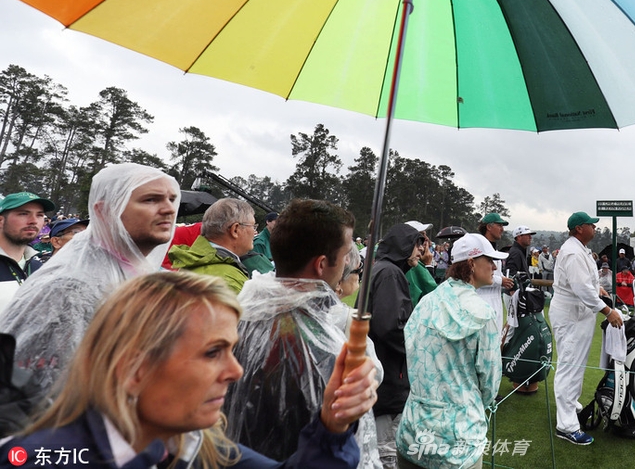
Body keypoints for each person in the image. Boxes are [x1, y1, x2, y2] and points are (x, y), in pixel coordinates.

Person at [0, 270, 376, 469]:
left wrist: (332, 424)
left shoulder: (196, 450)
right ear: (134, 367)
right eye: (212, 352)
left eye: (233, 349)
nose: (236, 371)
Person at [224, 199, 382, 468]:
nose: (348, 264)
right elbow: (349, 449)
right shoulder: (327, 345)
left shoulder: (236, 314)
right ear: (322, 265)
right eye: (346, 255)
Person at [0, 163, 179, 393]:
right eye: (151, 200)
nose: (169, 209)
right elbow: (38, 390)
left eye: (172, 199)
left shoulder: (140, 275)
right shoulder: (71, 286)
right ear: (105, 211)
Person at [396, 233, 503, 468]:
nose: (495, 266)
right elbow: (490, 381)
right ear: (472, 263)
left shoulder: (427, 302)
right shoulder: (483, 314)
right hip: (460, 441)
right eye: (490, 260)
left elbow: (411, 351)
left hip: (413, 431)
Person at [549, 211, 623, 446]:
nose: (595, 227)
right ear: (579, 228)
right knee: (569, 365)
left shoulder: (578, 249)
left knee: (576, 363)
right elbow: (580, 288)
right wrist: (607, 311)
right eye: (591, 224)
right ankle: (566, 425)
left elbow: (584, 283)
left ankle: (570, 406)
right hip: (571, 313)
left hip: (578, 314)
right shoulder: (572, 252)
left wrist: (597, 290)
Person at [367, 223, 421, 469]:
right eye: (416, 244)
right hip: (388, 377)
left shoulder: (384, 270)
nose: (420, 251)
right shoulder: (390, 273)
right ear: (403, 246)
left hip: (382, 372)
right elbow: (389, 326)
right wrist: (417, 349)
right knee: (387, 453)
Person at [169, 198, 257, 294]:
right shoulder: (230, 281)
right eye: (253, 226)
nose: (254, 232)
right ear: (235, 230)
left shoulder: (191, 262)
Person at [0, 192, 55, 313]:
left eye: (40, 215)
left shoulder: (38, 267)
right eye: (23, 214)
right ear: (1, 221)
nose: (33, 221)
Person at [476, 213, 514, 329]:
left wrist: (506, 280)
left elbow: (497, 273)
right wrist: (500, 281)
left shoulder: (494, 248)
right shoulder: (479, 248)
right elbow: (477, 275)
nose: (502, 229)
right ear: (489, 227)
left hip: (496, 298)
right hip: (482, 299)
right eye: (499, 226)